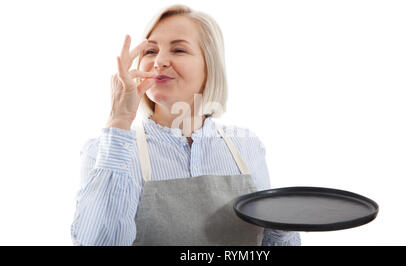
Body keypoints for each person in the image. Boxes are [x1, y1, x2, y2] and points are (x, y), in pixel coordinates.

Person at [71, 4, 301, 246]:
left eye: (178, 50)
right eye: (150, 51)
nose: (159, 61)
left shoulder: (246, 147)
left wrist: (284, 226)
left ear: (209, 66)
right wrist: (119, 118)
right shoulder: (108, 151)